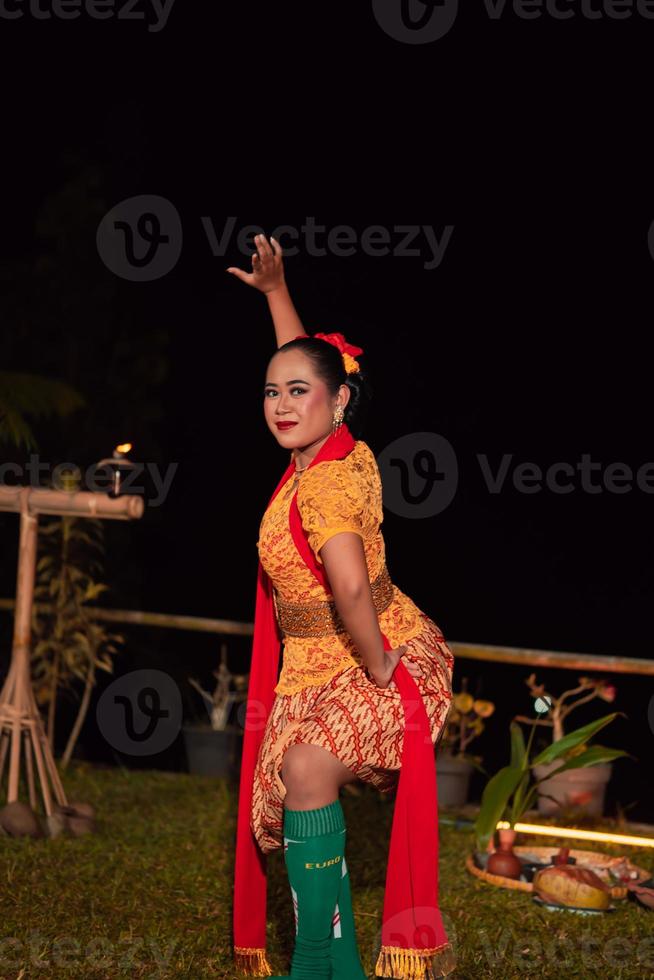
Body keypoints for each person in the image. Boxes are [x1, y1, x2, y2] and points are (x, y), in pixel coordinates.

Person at [228, 234, 456, 979]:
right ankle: (339, 967)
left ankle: (319, 965)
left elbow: (351, 587)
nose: (283, 403)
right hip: (312, 668)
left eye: (299, 393)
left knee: (305, 768)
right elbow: (311, 362)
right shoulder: (332, 449)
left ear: (340, 400)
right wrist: (275, 295)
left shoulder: (325, 481)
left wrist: (379, 660)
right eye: (272, 391)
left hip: (380, 655)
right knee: (293, 786)